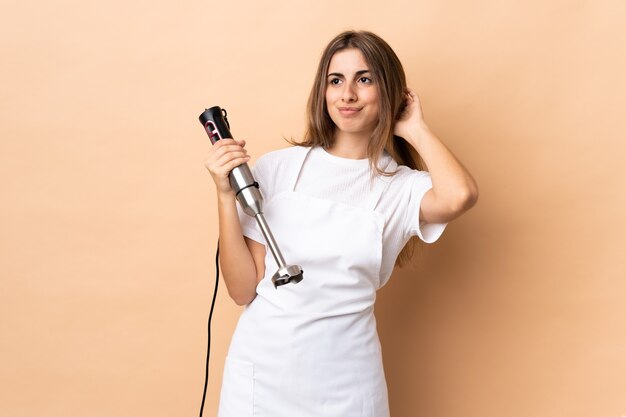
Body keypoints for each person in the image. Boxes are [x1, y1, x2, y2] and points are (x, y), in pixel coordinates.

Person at [203, 30, 478, 417]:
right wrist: (223, 196)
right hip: (261, 376)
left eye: (364, 80)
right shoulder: (277, 169)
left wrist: (414, 127)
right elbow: (241, 289)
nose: (347, 94)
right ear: (323, 92)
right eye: (336, 81)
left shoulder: (399, 188)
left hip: (347, 382)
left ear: (390, 92)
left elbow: (460, 196)